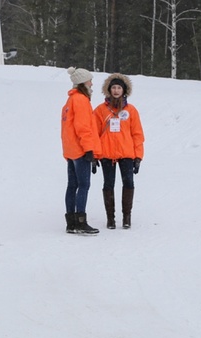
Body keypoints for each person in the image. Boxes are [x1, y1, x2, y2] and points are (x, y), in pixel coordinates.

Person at [93, 73, 145, 229]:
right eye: (114, 88)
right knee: (108, 184)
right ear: (108, 90)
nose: (116, 91)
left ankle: (127, 217)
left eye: (119, 88)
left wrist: (138, 156)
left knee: (128, 183)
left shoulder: (131, 110)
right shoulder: (100, 110)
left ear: (124, 90)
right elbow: (94, 134)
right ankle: (110, 218)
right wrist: (94, 155)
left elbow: (137, 134)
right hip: (106, 154)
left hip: (126, 153)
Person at [61, 67, 102, 235]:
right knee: (84, 185)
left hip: (71, 150)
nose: (92, 83)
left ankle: (71, 222)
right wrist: (89, 149)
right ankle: (80, 221)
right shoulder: (81, 100)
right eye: (90, 80)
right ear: (83, 83)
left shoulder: (70, 101)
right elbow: (83, 127)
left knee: (72, 185)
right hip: (80, 150)